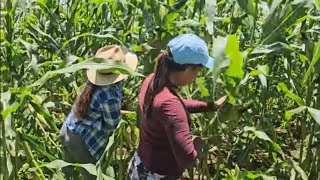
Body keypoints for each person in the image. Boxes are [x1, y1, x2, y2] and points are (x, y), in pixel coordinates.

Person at [127, 34, 226, 179]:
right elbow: (187, 158)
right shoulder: (170, 105)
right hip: (159, 175)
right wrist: (197, 144)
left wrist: (210, 106)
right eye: (196, 71)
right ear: (187, 68)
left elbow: (172, 106)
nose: (196, 77)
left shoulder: (151, 81)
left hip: (140, 166)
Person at [60, 45, 138, 179]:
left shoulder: (92, 84)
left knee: (66, 174)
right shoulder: (109, 95)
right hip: (82, 142)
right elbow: (113, 124)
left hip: (67, 130)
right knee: (93, 176)